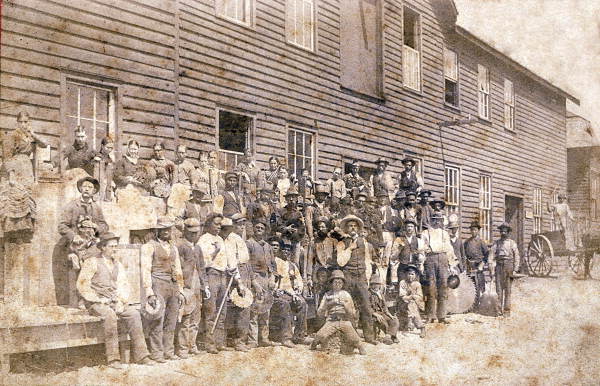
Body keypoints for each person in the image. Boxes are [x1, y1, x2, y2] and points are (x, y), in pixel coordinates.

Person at [77, 232, 154, 368]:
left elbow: (124, 285)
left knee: (134, 314)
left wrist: (121, 301)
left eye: (116, 246)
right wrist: (98, 299)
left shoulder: (117, 264)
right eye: (111, 246)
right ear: (102, 248)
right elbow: (82, 285)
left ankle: (142, 355)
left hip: (114, 301)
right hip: (96, 302)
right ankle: (113, 359)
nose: (115, 249)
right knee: (110, 316)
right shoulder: (92, 262)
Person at [56, 176, 109, 306]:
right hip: (76, 247)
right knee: (76, 271)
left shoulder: (96, 207)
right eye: (84, 186)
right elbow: (62, 226)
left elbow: (104, 226)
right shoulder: (72, 206)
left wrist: (96, 227)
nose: (86, 189)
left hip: (92, 247)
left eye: (90, 187)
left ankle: (90, 301)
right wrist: (74, 236)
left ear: (94, 191)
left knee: (93, 271)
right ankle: (75, 303)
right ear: (80, 189)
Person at [140, 216, 184, 362]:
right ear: (157, 230)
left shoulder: (173, 248)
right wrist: (149, 292)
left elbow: (178, 269)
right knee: (157, 319)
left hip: (172, 285)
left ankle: (168, 351)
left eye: (168, 228)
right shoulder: (149, 246)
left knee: (171, 320)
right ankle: (157, 353)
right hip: (157, 283)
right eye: (163, 229)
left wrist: (180, 289)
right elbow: (145, 270)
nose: (166, 231)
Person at [198, 213, 237, 353]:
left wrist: (229, 269)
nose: (218, 227)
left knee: (222, 310)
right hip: (212, 275)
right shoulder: (203, 240)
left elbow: (224, 260)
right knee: (211, 311)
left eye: (220, 224)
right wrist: (215, 251)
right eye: (216, 224)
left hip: (223, 276)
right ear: (209, 224)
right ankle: (209, 343)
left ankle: (219, 342)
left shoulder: (220, 239)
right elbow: (204, 262)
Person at [335, 215, 377, 344]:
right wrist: (350, 248)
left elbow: (367, 261)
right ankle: (350, 337)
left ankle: (369, 336)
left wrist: (367, 278)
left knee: (366, 306)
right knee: (348, 307)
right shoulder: (342, 243)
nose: (352, 228)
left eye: (354, 226)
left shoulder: (364, 242)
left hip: (361, 277)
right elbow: (341, 262)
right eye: (350, 226)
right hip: (348, 276)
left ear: (358, 228)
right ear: (346, 229)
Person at [222, 214, 260, 352]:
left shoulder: (241, 239)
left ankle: (243, 339)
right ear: (233, 225)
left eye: (243, 224)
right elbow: (232, 262)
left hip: (246, 272)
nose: (241, 227)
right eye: (238, 224)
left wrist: (253, 279)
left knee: (247, 307)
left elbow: (247, 261)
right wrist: (239, 281)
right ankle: (237, 340)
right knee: (241, 307)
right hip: (236, 274)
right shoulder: (229, 239)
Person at [310, 270, 366, 355]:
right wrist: (329, 304)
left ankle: (360, 348)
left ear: (343, 284)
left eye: (340, 282)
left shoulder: (346, 294)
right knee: (320, 336)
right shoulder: (327, 295)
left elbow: (352, 313)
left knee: (355, 338)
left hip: (344, 320)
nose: (337, 284)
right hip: (331, 320)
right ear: (331, 283)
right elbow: (319, 312)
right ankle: (313, 344)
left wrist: (345, 306)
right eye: (335, 282)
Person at [175, 218, 210, 358]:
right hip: (186, 285)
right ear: (185, 232)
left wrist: (205, 285)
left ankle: (192, 345)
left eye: (195, 233)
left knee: (196, 316)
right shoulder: (180, 247)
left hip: (198, 285)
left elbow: (202, 267)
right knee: (186, 317)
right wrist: (181, 287)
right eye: (190, 233)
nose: (193, 235)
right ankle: (182, 348)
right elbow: (178, 269)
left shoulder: (198, 248)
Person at [420, 213, 459, 324]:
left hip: (442, 259)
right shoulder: (425, 233)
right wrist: (421, 264)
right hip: (430, 259)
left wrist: (451, 265)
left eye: (439, 220)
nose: (437, 222)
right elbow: (422, 250)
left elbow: (449, 249)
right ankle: (430, 315)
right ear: (431, 220)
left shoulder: (444, 234)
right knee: (431, 288)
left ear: (442, 221)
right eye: (435, 220)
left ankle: (442, 315)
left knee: (443, 286)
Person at [246, 220, 278, 347]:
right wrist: (254, 282)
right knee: (254, 310)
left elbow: (273, 264)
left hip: (266, 278)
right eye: (257, 227)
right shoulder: (249, 244)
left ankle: (264, 338)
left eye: (262, 228)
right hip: (255, 278)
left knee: (266, 309)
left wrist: (272, 278)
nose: (259, 229)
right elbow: (247, 265)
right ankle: (252, 340)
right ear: (253, 229)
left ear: (265, 231)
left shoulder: (268, 246)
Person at [270, 241, 308, 347]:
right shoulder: (275, 262)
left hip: (290, 294)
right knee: (285, 304)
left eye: (288, 250)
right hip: (277, 293)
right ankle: (286, 337)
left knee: (303, 303)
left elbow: (298, 279)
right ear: (280, 251)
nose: (286, 252)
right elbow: (281, 284)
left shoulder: (292, 265)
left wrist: (298, 289)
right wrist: (292, 294)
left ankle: (299, 336)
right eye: (284, 249)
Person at [489, 222, 520, 316]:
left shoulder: (512, 243)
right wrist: (491, 268)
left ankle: (507, 311)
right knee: (499, 290)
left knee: (507, 290)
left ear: (508, 232)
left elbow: (517, 256)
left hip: (509, 267)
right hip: (499, 266)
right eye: (501, 231)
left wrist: (515, 269)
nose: (503, 233)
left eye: (505, 231)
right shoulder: (496, 243)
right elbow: (491, 256)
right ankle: (498, 311)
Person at [463, 220, 489, 308]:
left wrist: (482, 263)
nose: (473, 231)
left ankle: (478, 304)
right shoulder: (467, 242)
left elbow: (487, 255)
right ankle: (470, 304)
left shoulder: (481, 242)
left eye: (475, 230)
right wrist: (467, 262)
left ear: (478, 231)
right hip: (470, 266)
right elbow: (464, 254)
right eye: (472, 230)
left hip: (478, 267)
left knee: (479, 285)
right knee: (470, 285)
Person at [369, 273, 399, 344]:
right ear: (371, 285)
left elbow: (384, 307)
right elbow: (367, 307)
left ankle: (389, 336)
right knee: (384, 323)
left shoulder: (380, 294)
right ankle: (391, 336)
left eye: (378, 284)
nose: (376, 286)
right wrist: (375, 314)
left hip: (382, 313)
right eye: (374, 284)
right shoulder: (368, 294)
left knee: (394, 320)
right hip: (373, 315)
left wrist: (389, 314)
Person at [398, 265, 426, 338]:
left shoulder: (417, 284)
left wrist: (413, 297)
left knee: (412, 306)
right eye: (409, 274)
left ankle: (421, 327)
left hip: (415, 303)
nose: (410, 276)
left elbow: (420, 296)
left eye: (412, 274)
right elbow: (402, 295)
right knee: (409, 305)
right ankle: (409, 325)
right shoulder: (402, 282)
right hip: (403, 302)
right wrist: (411, 296)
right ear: (405, 274)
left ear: (415, 275)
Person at [97, 137, 115, 201]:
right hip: (99, 183)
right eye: (108, 147)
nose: (109, 150)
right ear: (102, 146)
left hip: (108, 185)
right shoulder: (97, 157)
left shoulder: (110, 159)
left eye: (111, 148)